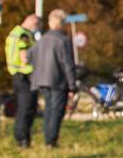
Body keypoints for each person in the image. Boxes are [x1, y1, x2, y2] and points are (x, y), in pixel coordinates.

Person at [29, 10, 75, 148]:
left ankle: (48, 138)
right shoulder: (63, 40)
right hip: (58, 80)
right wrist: (72, 84)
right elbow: (67, 64)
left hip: (42, 79)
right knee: (57, 111)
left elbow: (31, 57)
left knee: (48, 109)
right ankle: (51, 141)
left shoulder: (41, 40)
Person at [5, 14, 40, 148]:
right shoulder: (23, 36)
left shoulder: (14, 33)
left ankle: (22, 136)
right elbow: (24, 56)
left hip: (18, 75)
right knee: (27, 108)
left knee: (22, 108)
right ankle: (23, 139)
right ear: (33, 23)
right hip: (25, 76)